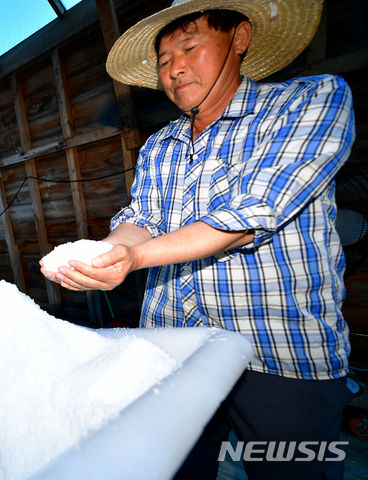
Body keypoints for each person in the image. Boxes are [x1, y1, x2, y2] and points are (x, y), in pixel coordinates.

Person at [40, 0, 356, 479]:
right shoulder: (160, 143)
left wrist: (135, 256)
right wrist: (107, 253)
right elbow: (141, 216)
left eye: (190, 47)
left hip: (279, 356)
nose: (174, 68)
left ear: (240, 38)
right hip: (173, 349)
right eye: (164, 60)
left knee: (292, 472)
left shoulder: (308, 101)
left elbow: (252, 212)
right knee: (177, 470)